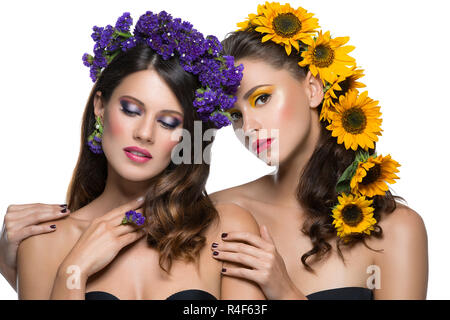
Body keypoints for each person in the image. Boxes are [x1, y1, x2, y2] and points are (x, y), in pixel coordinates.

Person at [12, 10, 265, 300]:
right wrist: (74, 270)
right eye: (131, 110)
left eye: (168, 122)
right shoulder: (43, 245)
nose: (145, 133)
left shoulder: (227, 229)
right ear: (100, 106)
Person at [208, 2, 428, 300]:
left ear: (313, 88)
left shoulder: (394, 229)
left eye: (262, 99)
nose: (248, 126)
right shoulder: (217, 212)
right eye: (235, 115)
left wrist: (284, 291)